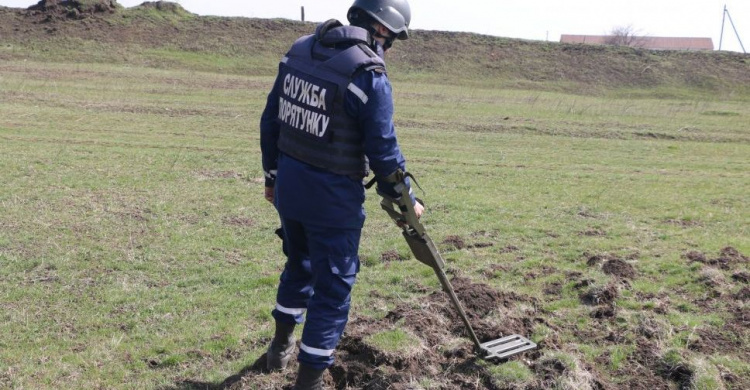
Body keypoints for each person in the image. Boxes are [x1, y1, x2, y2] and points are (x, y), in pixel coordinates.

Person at [259, 0, 423, 388]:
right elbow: (384, 152)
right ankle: (310, 382)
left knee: (299, 263)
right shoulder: (368, 74)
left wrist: (271, 177)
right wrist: (405, 198)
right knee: (333, 289)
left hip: (290, 187)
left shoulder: (299, 50)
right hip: (331, 199)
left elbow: (271, 119)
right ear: (381, 31)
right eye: (392, 39)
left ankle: (278, 350)